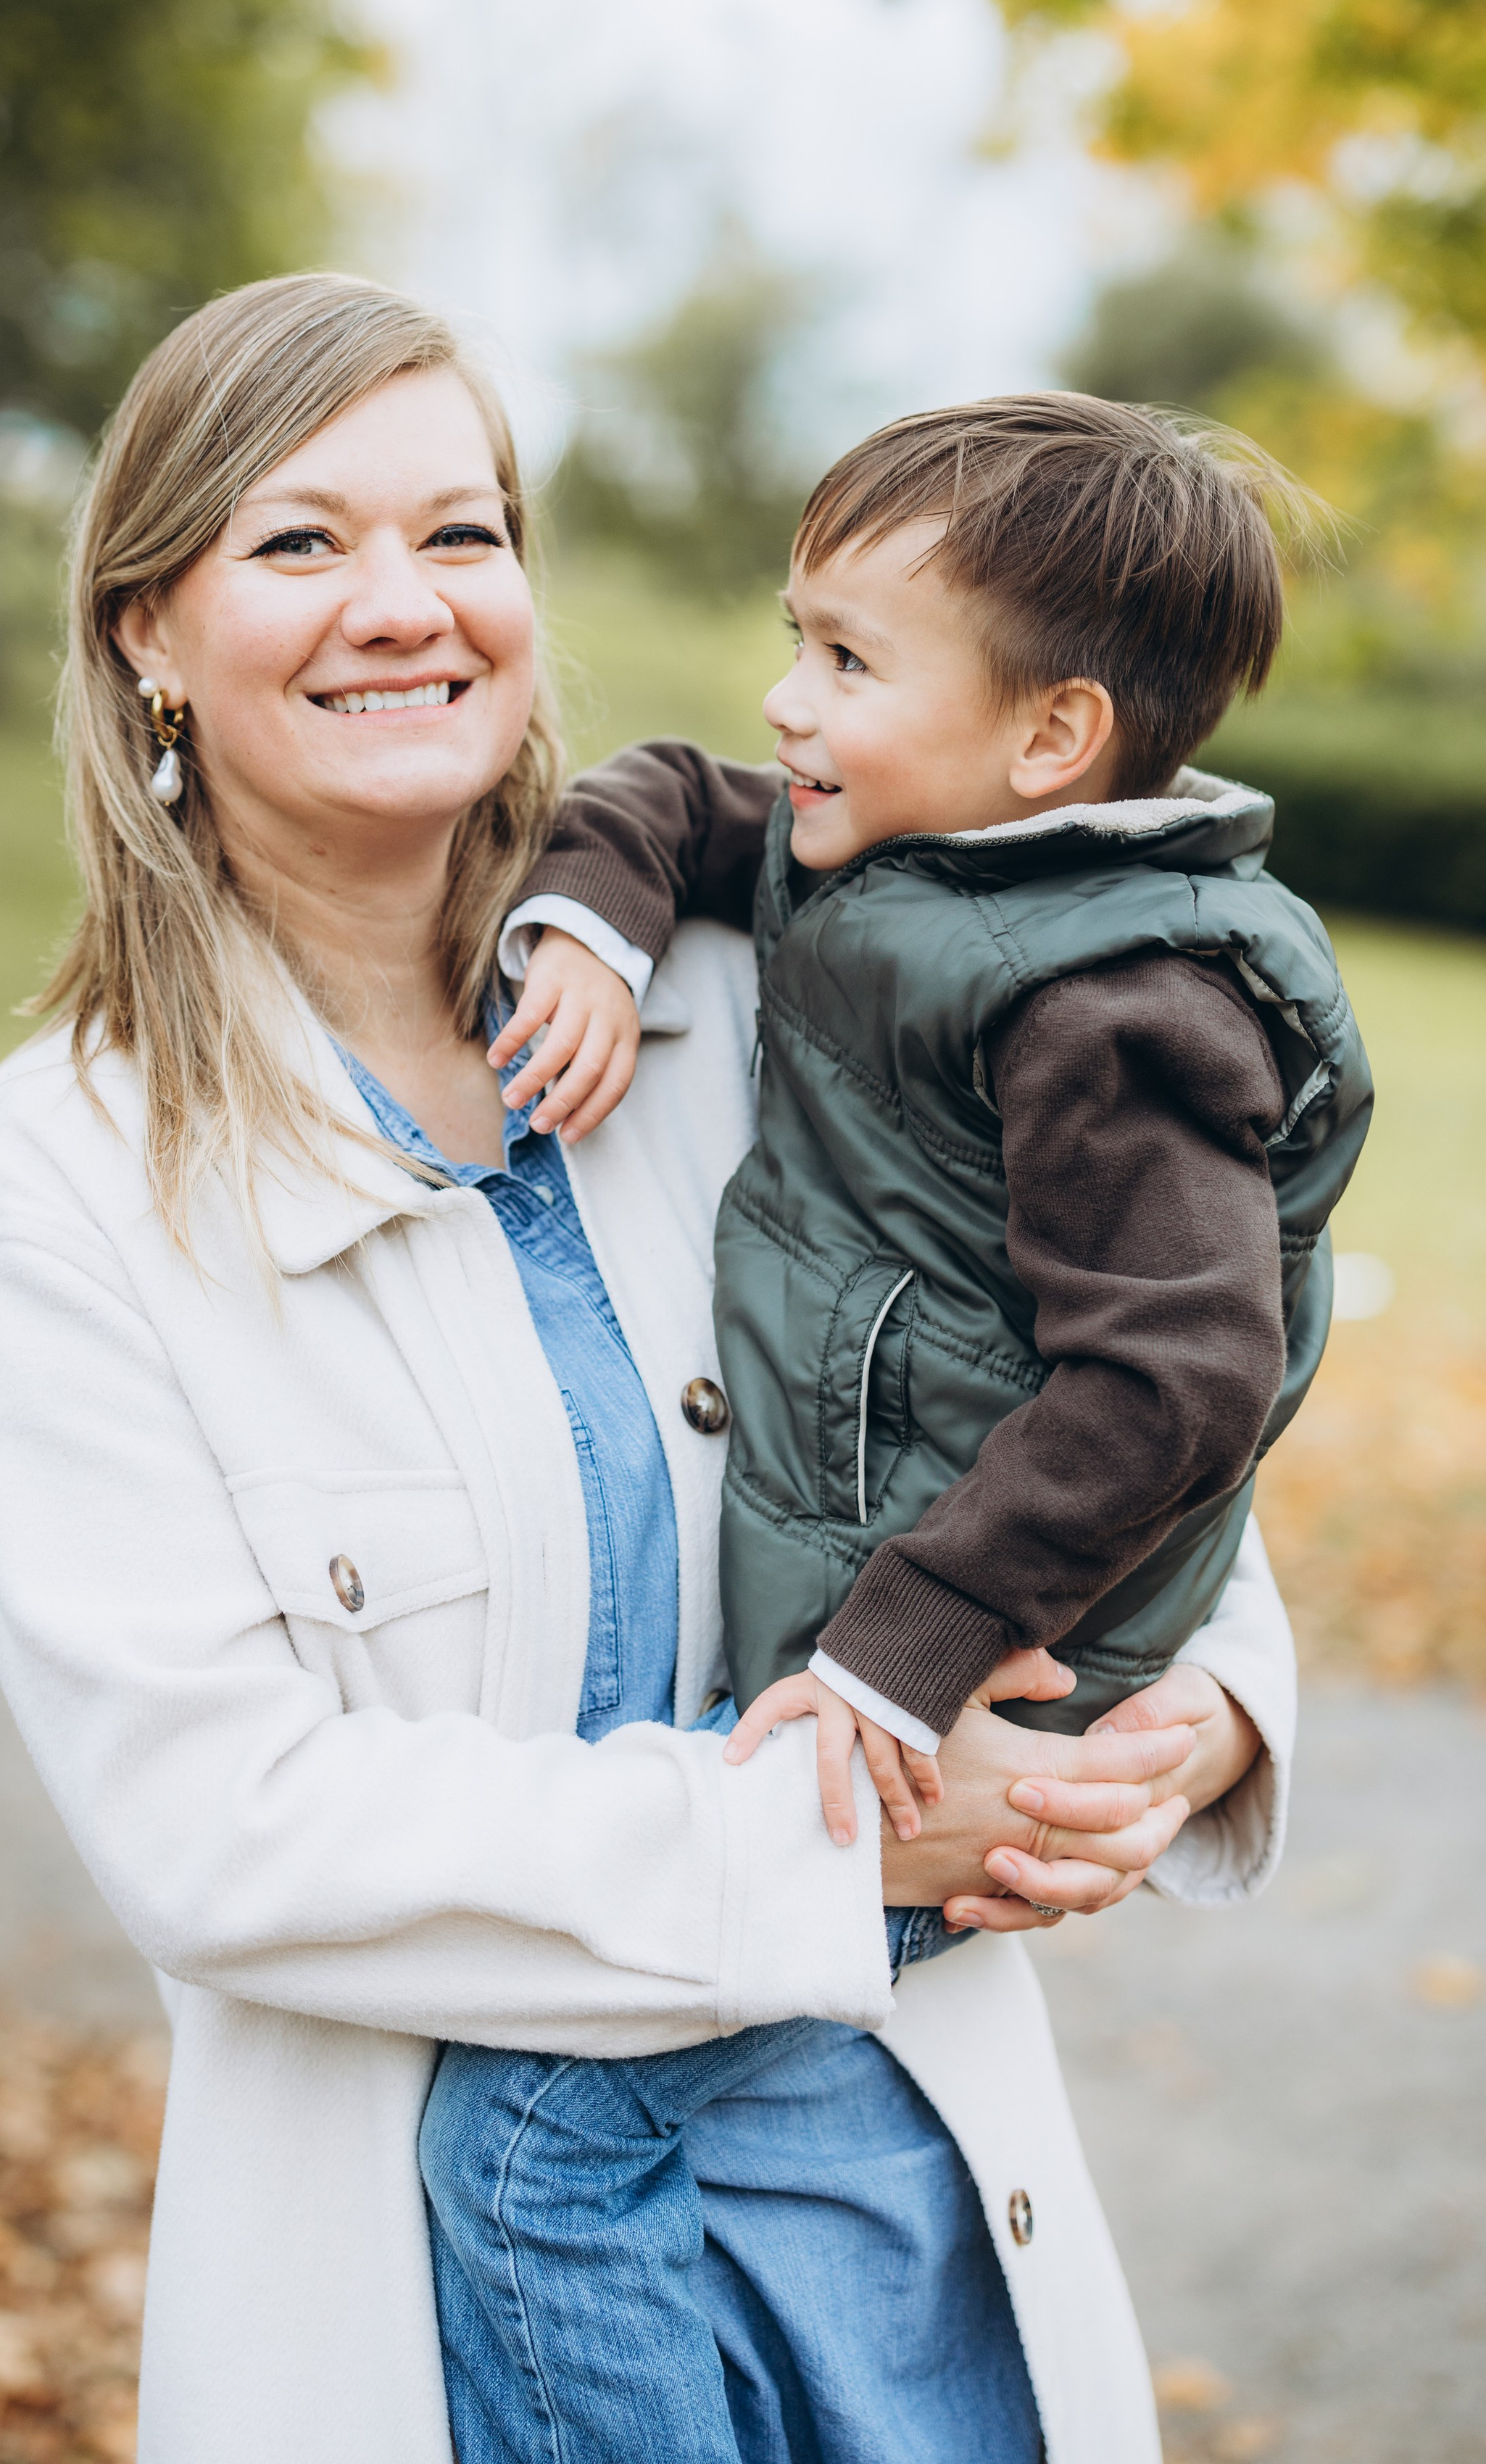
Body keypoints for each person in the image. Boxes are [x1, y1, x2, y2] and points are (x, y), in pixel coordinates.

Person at [0, 278, 1298, 2464]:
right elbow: (216, 1831)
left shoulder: (783, 988)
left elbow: (1118, 1385)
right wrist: (830, 1849)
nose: (406, 602)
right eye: (301, 540)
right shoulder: (65, 1183)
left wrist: (1191, 1721)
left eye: (462, 533)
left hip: (904, 2216)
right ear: (145, 630)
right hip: (457, 2273)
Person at [419, 395, 1367, 2462]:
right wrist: (589, 921)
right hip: (880, 1630)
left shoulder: (1122, 1007)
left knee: (543, 2131)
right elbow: (677, 792)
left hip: (984, 1676)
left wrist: (900, 1652)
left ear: (1051, 739)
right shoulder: (903, 846)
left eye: (849, 659)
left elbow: (1181, 1376)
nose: (790, 698)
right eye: (800, 636)